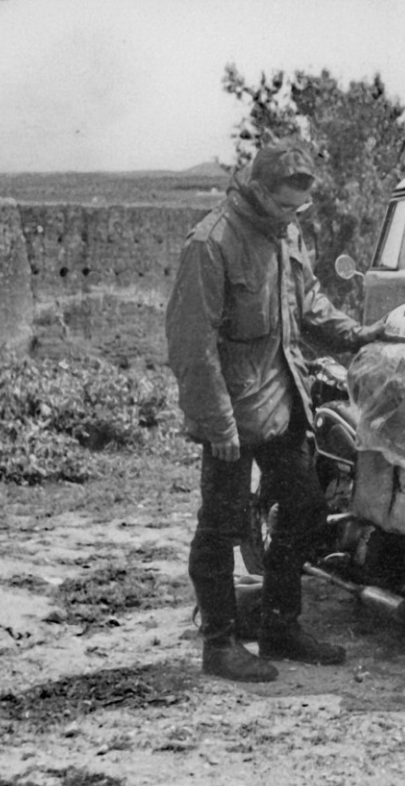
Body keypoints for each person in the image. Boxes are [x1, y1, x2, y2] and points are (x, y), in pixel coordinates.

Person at [165, 139, 384, 683]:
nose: (292, 216)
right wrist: (218, 425)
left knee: (307, 510)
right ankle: (220, 644)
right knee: (222, 526)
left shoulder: (286, 233)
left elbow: (308, 305)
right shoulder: (211, 243)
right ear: (257, 190)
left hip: (281, 402)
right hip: (231, 413)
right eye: (284, 205)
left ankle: (279, 626)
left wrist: (359, 335)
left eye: (298, 208)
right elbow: (192, 346)